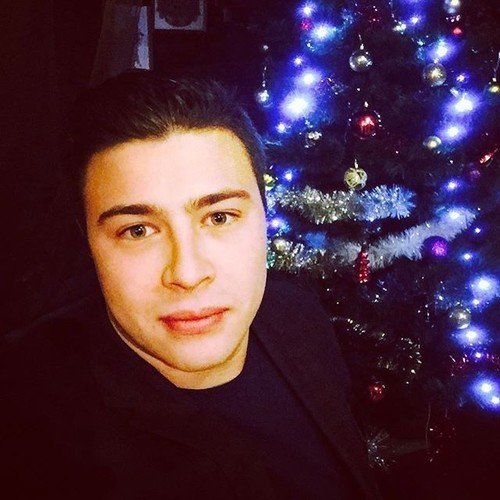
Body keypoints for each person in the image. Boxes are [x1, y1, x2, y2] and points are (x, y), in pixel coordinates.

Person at [0, 71, 379, 499]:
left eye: (219, 217)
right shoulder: (26, 428)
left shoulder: (297, 317)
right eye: (138, 230)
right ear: (88, 241)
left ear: (264, 218)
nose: (187, 273)